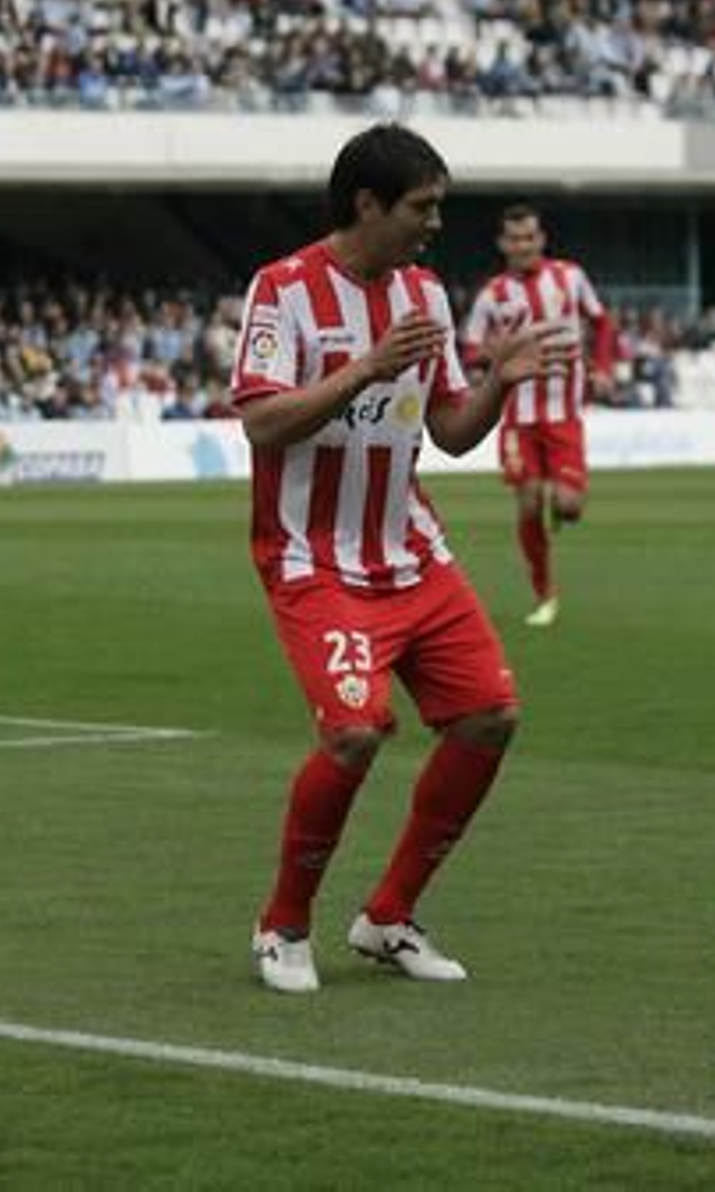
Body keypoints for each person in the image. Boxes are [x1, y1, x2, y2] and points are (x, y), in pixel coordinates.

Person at [234, 125, 569, 995]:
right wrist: (366, 367)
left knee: (490, 715)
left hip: (411, 552)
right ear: (366, 203)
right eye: (422, 207)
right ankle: (283, 927)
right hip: (315, 558)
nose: (434, 225)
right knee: (351, 734)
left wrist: (501, 379)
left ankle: (388, 917)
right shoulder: (283, 290)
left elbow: (452, 431)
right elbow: (263, 421)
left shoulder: (425, 294)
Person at [462, 204, 612, 628]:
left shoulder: (571, 277)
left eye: (530, 237)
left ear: (541, 239)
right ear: (502, 243)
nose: (523, 245)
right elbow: (470, 348)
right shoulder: (492, 295)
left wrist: (602, 367)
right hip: (517, 415)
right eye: (515, 238)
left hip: (563, 412)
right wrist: (496, 354)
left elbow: (602, 323)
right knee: (528, 500)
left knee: (569, 507)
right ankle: (545, 593)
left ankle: (560, 502)